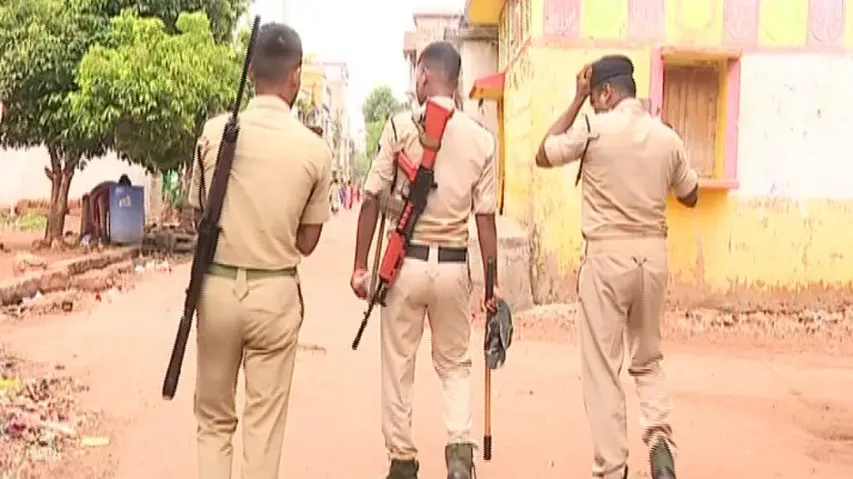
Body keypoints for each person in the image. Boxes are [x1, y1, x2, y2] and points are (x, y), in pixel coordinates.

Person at [534, 55, 697, 479]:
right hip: (653, 257)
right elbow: (691, 194)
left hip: (606, 259)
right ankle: (660, 440)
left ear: (604, 92)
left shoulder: (591, 128)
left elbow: (543, 153)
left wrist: (573, 102)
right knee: (648, 358)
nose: (592, 105)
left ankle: (612, 468)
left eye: (594, 97)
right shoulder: (666, 136)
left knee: (603, 370)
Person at [187, 22, 332, 479]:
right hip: (274, 294)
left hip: (217, 291)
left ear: (250, 73)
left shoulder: (213, 133)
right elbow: (307, 242)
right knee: (263, 428)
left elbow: (198, 218)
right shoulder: (314, 149)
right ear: (296, 77)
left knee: (213, 421)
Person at [350, 41, 499, 479]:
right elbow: (486, 221)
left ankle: (402, 460)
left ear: (423, 76)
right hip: (454, 266)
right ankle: (458, 457)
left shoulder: (400, 127)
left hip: (405, 267)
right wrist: (492, 287)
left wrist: (360, 268)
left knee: (399, 365)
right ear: (457, 81)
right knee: (455, 365)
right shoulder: (482, 140)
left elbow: (372, 199)